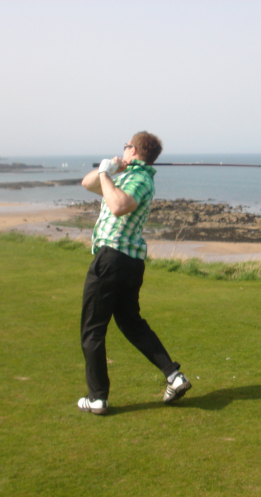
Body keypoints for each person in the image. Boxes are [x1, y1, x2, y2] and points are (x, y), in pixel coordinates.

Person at [77, 131, 191, 415]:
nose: (123, 150)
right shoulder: (126, 176)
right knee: (130, 323)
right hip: (127, 262)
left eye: (126, 146)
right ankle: (174, 376)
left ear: (134, 151)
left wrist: (106, 174)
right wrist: (109, 170)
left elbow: (118, 206)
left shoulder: (141, 179)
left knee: (92, 329)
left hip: (113, 258)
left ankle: (97, 398)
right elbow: (87, 184)